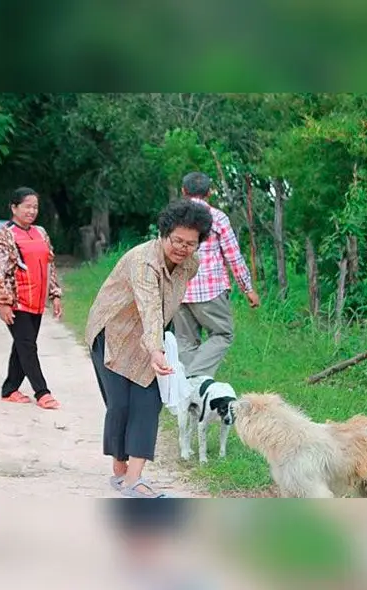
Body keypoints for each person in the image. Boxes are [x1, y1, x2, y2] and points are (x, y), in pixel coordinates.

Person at [85, 199, 213, 498]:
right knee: (120, 405)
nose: (182, 248)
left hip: (150, 335)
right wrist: (156, 350)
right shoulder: (143, 261)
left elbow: (165, 303)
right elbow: (150, 305)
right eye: (177, 241)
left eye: (190, 243)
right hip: (112, 332)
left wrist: (157, 347)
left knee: (148, 402)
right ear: (163, 234)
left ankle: (134, 479)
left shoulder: (190, 264)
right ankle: (119, 471)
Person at [173, 171, 260, 379]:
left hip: (178, 289)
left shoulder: (174, 217)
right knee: (222, 333)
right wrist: (247, 288)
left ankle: (189, 397)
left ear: (184, 191)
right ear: (209, 192)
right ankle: (194, 378)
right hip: (210, 290)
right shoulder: (218, 218)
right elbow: (233, 256)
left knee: (185, 342)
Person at [0, 187, 62, 410]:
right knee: (28, 346)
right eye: (27, 206)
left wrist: (55, 295)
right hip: (17, 302)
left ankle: (10, 389)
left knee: (22, 346)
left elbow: (50, 265)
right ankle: (42, 392)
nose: (32, 211)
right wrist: (3, 302)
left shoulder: (40, 232)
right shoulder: (5, 234)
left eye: (35, 207)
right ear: (14, 207)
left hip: (37, 302)